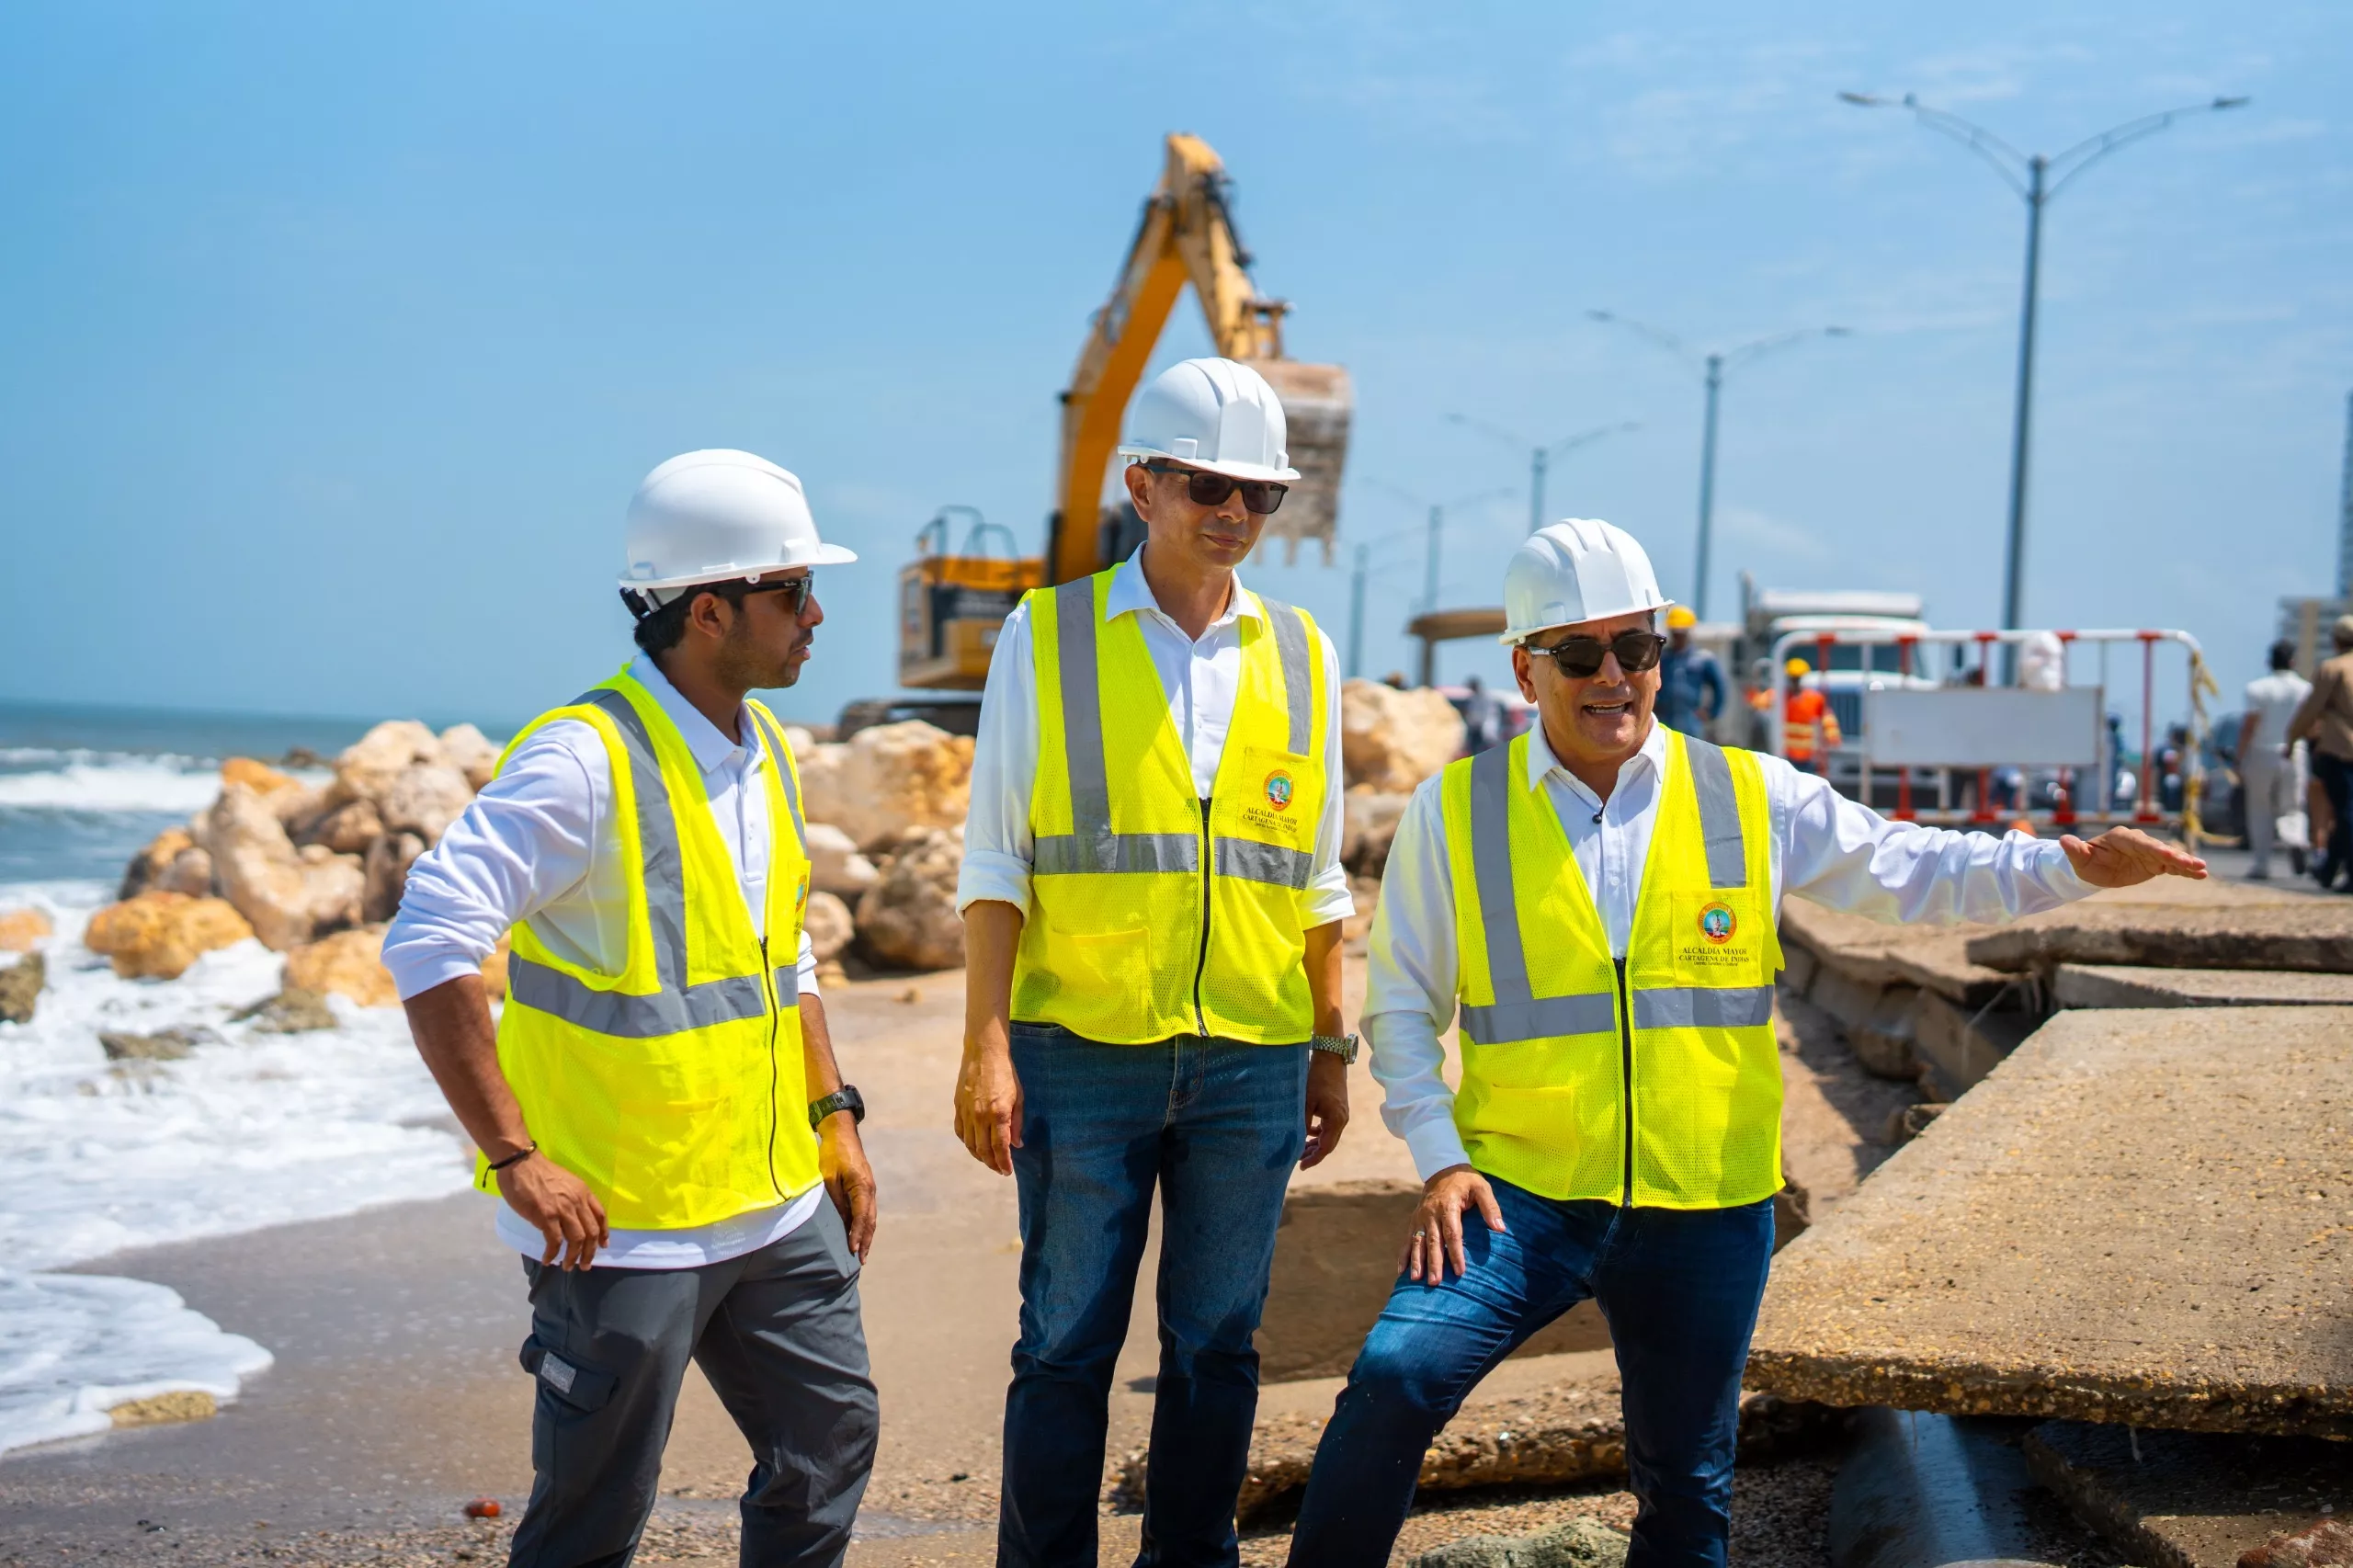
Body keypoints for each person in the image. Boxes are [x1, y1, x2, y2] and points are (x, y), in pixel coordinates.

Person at [1281, 518, 2208, 1566]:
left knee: (1686, 1486)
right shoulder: (1456, 809)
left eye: (1636, 647)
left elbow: (1911, 867)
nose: (1612, 676)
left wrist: (2067, 868)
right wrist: (1440, 1156)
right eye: (1578, 654)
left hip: (1707, 1202)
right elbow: (1403, 1005)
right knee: (1397, 1377)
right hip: (1522, 1193)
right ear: (1524, 669)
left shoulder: (1748, 792)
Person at [386, 450, 881, 1567]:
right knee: (594, 1513)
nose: (815, 614)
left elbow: (783, 955)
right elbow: (428, 938)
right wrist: (515, 1156)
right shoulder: (583, 760)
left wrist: (834, 1114)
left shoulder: (763, 747)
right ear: (708, 610)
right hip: (622, 1222)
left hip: (774, 1198)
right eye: (792, 590)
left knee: (829, 1443)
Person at [954, 358, 1357, 1566]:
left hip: (1252, 1055)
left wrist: (1328, 1046)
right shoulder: (1044, 634)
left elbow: (1317, 875)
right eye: (1206, 485)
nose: (1233, 511)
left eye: (1258, 493)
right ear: (1143, 486)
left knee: (1218, 1347)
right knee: (1063, 1347)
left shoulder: (1304, 652)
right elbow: (996, 859)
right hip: (1080, 1051)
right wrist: (985, 1049)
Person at [2288, 613, 2353, 891]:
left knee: (2346, 812)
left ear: (2336, 640)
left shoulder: (2332, 668)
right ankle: (2329, 870)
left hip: (2340, 750)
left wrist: (2291, 738)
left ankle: (2342, 870)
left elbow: (2310, 710)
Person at [2237, 640, 2312, 879]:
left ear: (2269, 662)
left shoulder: (2257, 688)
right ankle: (2295, 839)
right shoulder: (2305, 689)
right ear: (2293, 661)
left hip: (2262, 751)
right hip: (2295, 750)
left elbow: (2249, 726)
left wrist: (2240, 757)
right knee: (2293, 806)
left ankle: (2261, 864)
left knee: (2260, 808)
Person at [1654, 606, 1724, 738]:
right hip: (1665, 717)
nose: (1678, 636)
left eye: (1681, 633)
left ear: (1688, 632)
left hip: (1691, 720)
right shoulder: (1663, 658)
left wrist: (1711, 712)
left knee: (1692, 749)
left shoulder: (1703, 659)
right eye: (1675, 633)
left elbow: (1720, 687)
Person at [1779, 656, 1839, 767]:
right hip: (1785, 753)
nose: (1795, 682)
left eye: (1797, 679)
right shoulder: (1780, 696)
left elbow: (1827, 717)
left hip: (1807, 754)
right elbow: (1761, 702)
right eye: (1792, 678)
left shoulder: (1813, 698)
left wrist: (1832, 735)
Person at [1461, 674, 1505, 754]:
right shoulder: (1473, 698)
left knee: (1487, 749)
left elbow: (1486, 714)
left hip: (1486, 728)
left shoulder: (1486, 697)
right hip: (1475, 729)